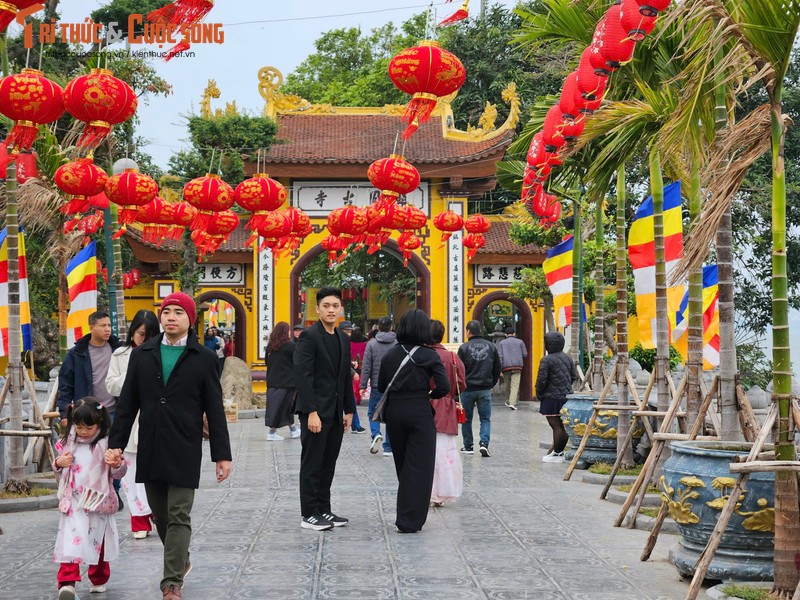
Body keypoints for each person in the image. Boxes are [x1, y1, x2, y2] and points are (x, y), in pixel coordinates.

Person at [107, 292, 232, 600]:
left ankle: (171, 582)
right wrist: (116, 444)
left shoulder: (203, 357)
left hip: (184, 446)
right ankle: (181, 559)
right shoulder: (143, 353)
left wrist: (222, 455)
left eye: (178, 312)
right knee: (160, 515)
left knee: (178, 514)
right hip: (150, 443)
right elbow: (127, 405)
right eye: (167, 312)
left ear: (190, 319)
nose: (171, 317)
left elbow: (214, 409)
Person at [379, 309, 449, 533]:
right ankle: (410, 520)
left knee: (403, 463)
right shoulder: (429, 355)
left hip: (395, 413)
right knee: (420, 466)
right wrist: (428, 396)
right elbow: (444, 387)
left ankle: (406, 513)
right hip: (419, 410)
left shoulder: (390, 355)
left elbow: (381, 386)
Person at [293, 287, 356, 531]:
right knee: (312, 463)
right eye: (326, 306)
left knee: (328, 462)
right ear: (317, 309)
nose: (331, 310)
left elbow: (343, 377)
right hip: (315, 412)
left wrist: (349, 409)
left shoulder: (342, 337)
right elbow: (302, 376)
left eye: (335, 306)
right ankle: (309, 513)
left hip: (335, 411)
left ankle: (324, 510)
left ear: (341, 309)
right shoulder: (309, 336)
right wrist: (310, 411)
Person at [54, 397, 127, 600]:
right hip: (74, 501)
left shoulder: (106, 444)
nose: (83, 431)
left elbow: (119, 473)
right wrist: (60, 462)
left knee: (98, 542)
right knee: (71, 541)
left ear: (100, 423)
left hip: (98, 503)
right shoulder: (68, 443)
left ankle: (99, 577)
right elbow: (58, 465)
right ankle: (67, 583)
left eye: (89, 426)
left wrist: (116, 464)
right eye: (79, 426)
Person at [58, 310, 123, 507]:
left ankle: (113, 491)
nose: (107, 330)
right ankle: (86, 490)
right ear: (91, 327)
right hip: (87, 413)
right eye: (102, 326)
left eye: (108, 326)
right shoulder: (77, 353)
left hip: (112, 411)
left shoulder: (117, 349)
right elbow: (65, 383)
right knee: (88, 454)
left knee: (113, 451)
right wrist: (64, 412)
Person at [105, 310, 160, 540]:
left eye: (148, 336)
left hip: (155, 420)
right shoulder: (120, 355)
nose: (143, 340)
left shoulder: (163, 354)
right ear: (132, 332)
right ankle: (139, 520)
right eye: (140, 334)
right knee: (130, 474)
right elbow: (111, 386)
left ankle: (157, 513)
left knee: (156, 471)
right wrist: (133, 370)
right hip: (129, 420)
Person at [429, 320, 466, 507]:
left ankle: (429, 491)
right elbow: (462, 383)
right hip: (447, 406)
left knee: (426, 452)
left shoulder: (421, 356)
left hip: (425, 404)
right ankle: (443, 491)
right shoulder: (452, 357)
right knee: (445, 451)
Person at [458, 320, 501, 457]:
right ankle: (484, 444)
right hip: (485, 388)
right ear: (481, 331)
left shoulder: (464, 348)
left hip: (468, 388)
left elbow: (459, 370)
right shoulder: (491, 347)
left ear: (468, 332)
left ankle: (468, 445)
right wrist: (491, 383)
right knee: (485, 418)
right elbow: (497, 368)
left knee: (466, 418)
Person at [536, 331, 577, 463]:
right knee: (562, 425)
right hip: (566, 396)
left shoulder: (546, 360)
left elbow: (542, 380)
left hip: (551, 397)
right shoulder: (568, 358)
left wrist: (540, 394)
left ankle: (557, 453)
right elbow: (573, 376)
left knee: (556, 426)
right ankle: (558, 452)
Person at [360, 316, 396, 456]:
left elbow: (366, 367)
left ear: (378, 328)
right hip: (393, 385)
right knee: (391, 415)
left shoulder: (371, 344)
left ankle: (375, 433)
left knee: (373, 412)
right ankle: (388, 448)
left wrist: (363, 385)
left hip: (376, 385)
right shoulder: (397, 343)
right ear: (391, 327)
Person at [265, 321, 301, 441]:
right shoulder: (290, 346)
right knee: (280, 407)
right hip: (287, 382)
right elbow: (297, 362)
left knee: (286, 406)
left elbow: (266, 362)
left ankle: (294, 430)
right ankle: (272, 432)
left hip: (272, 380)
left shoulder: (270, 346)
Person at [338, 321, 366, 433]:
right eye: (346, 332)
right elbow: (338, 362)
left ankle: (355, 425)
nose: (348, 334)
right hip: (338, 380)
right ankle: (354, 425)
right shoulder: (337, 343)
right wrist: (352, 372)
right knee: (350, 401)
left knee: (351, 400)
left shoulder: (345, 342)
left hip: (345, 379)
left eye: (349, 332)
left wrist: (350, 364)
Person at [497, 326, 528, 410]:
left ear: (505, 334)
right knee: (515, 385)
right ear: (514, 333)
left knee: (508, 385)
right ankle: (512, 402)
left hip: (506, 367)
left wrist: (499, 369)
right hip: (517, 367)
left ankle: (508, 400)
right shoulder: (520, 342)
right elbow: (525, 354)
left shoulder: (501, 343)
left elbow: (500, 356)